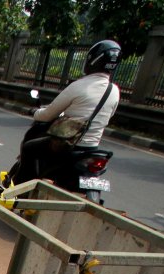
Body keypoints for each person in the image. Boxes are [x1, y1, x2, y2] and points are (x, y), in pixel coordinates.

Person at [13, 40, 121, 183]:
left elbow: (48, 115)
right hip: (92, 148)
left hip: (68, 146)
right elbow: (108, 116)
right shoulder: (114, 90)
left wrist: (34, 112)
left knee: (29, 148)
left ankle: (20, 190)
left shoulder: (78, 86)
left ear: (92, 60)